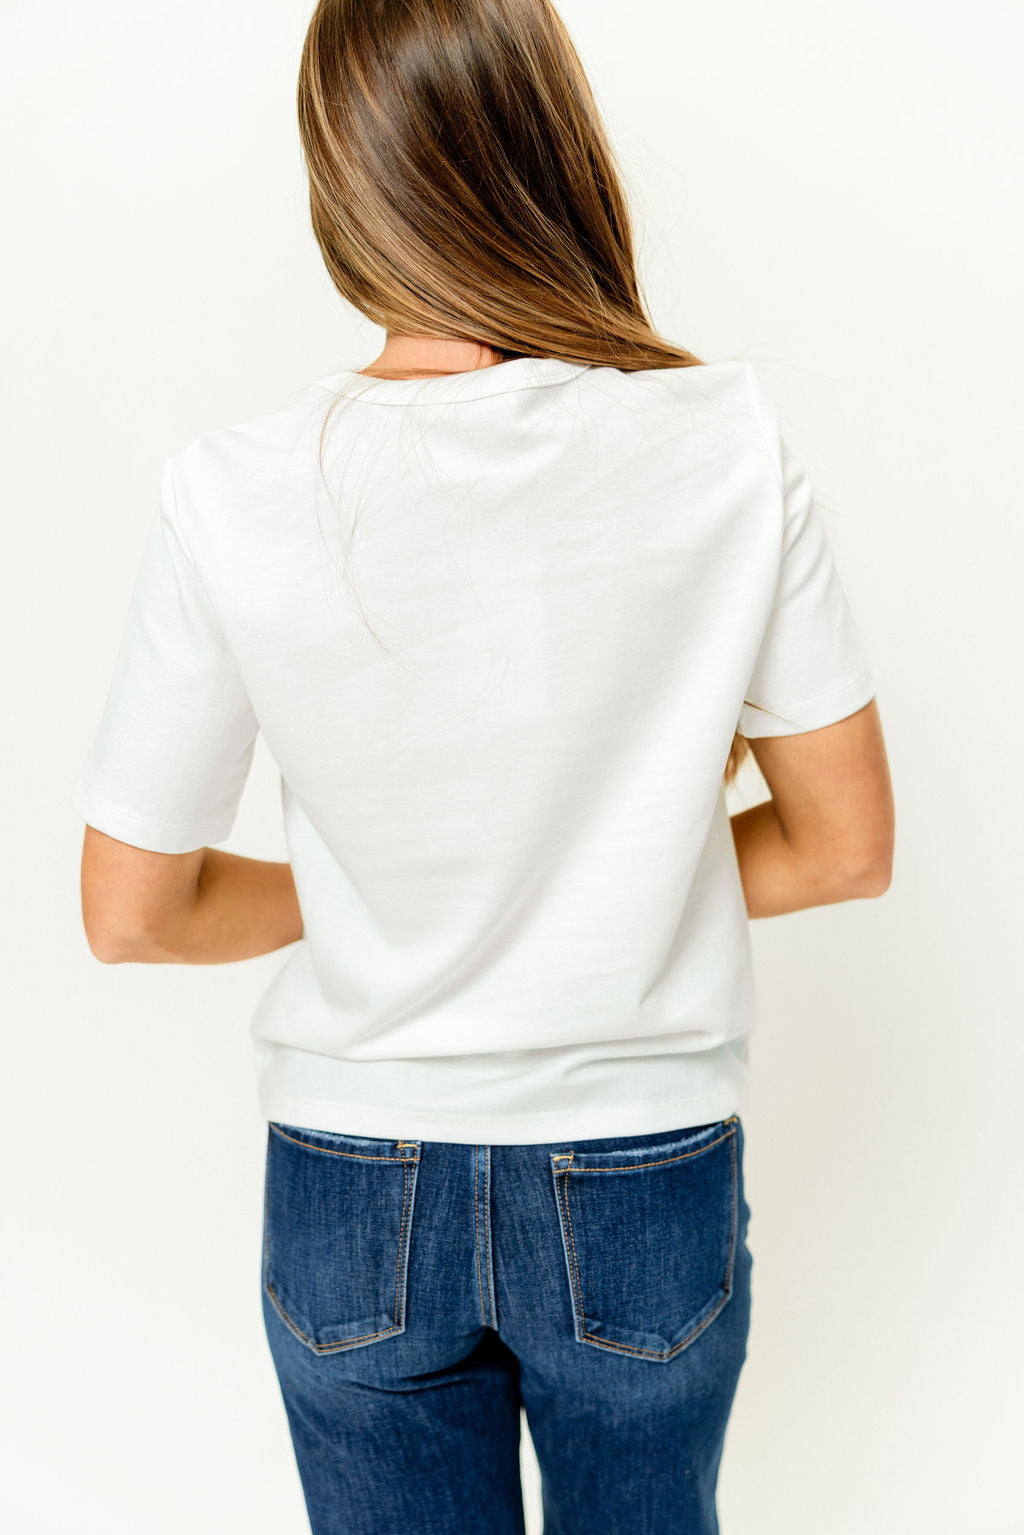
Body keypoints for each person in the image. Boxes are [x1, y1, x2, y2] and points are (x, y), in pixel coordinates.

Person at [71, 0, 895, 1529]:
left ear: (342, 179)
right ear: (552, 146)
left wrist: (391, 895)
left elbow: (132, 911)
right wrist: (591, 886)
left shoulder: (231, 490)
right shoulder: (725, 444)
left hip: (353, 1180)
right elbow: (842, 847)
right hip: (637, 1168)